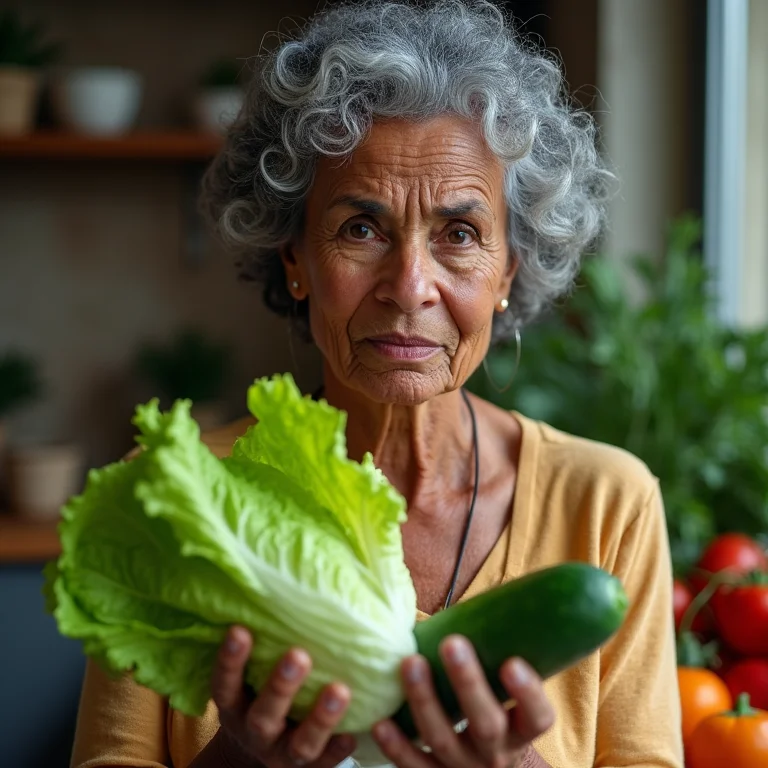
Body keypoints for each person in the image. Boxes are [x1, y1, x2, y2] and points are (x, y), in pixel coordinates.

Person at [69, 1, 683, 767]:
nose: (410, 286)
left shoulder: (606, 505)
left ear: (507, 272)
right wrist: (241, 760)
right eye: (361, 228)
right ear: (293, 257)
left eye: (459, 234)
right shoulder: (173, 499)